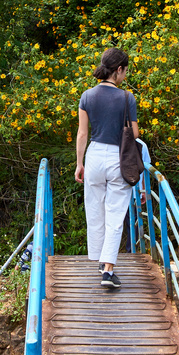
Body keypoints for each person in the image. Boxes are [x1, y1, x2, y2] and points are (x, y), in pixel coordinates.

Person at [75, 48, 138, 288]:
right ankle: (108, 271)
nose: (125, 75)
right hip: (118, 157)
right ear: (119, 69)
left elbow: (82, 134)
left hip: (93, 155)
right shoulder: (127, 98)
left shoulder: (87, 96)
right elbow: (134, 133)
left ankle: (99, 260)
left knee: (95, 210)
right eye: (125, 70)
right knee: (115, 213)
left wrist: (79, 163)